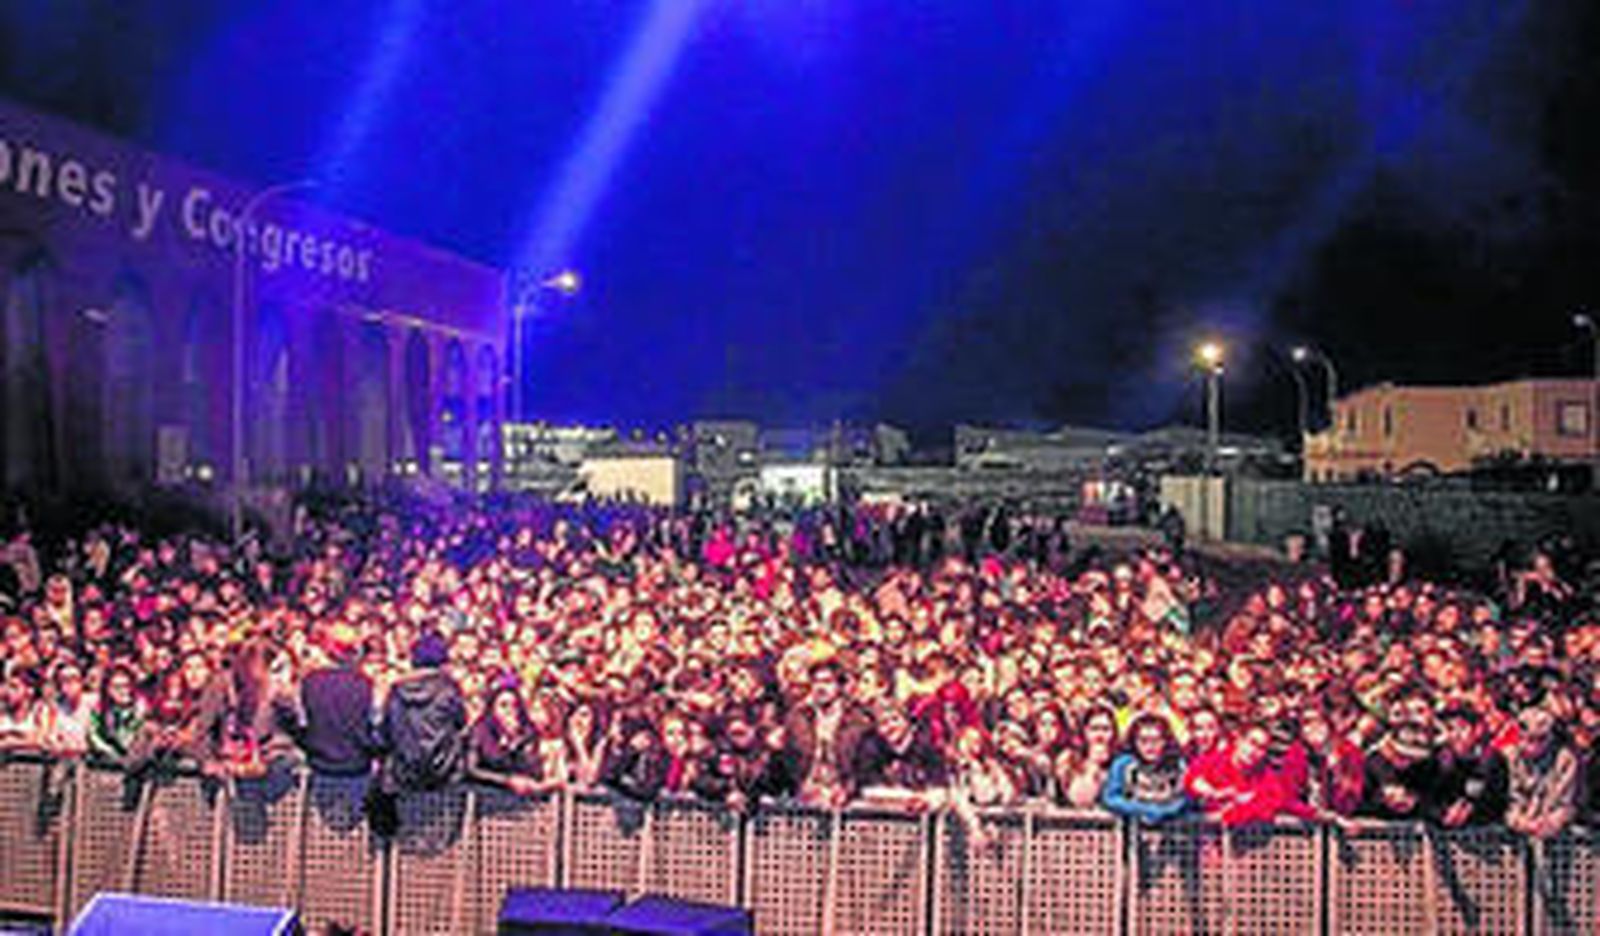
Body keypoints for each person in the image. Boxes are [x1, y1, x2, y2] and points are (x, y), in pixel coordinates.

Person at [371, 631, 467, 836]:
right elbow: (462, 722)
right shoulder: (449, 689)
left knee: (401, 839)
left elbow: (385, 731)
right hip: (444, 773)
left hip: (403, 774)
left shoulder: (397, 689)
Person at [783, 661, 873, 809]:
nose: (820, 688)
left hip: (846, 799)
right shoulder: (797, 717)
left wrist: (847, 790)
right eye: (816, 682)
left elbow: (865, 767)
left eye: (827, 682)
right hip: (804, 796)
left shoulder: (859, 720)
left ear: (839, 686)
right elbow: (789, 762)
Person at [293, 624, 378, 776]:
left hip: (319, 766)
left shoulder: (309, 681)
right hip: (356, 767)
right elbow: (374, 726)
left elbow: (301, 723)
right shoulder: (366, 684)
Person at [1504, 704, 1578, 839]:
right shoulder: (1511, 756)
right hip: (1519, 830)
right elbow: (1510, 800)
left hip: (1557, 835)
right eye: (1525, 739)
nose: (1531, 746)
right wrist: (1521, 822)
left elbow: (1567, 803)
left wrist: (1551, 822)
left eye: (1539, 739)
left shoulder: (1565, 759)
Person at [1427, 706, 1508, 828]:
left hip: (1483, 831)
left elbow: (1496, 803)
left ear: (1477, 730)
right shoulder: (1439, 758)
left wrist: (1469, 810)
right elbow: (1428, 800)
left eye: (1462, 728)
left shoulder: (1491, 759)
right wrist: (1442, 814)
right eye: (1450, 729)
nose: (1455, 735)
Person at [1101, 714, 1188, 823]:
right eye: (1143, 740)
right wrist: (1144, 809)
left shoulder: (1177, 764)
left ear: (1165, 741)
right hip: (1131, 828)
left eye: (1156, 740)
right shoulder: (1123, 764)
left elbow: (1184, 799)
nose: (1150, 746)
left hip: (1170, 829)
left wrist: (1164, 811)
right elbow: (1110, 798)